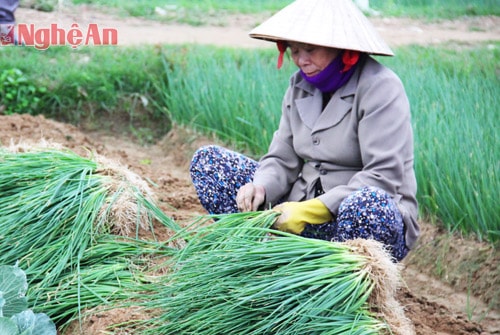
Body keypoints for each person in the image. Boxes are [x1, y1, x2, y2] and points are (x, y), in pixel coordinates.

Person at [190, 0, 419, 261]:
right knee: (209, 163)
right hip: (299, 208)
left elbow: (382, 177)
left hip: (357, 216)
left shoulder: (380, 87)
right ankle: (260, 260)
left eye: (310, 49)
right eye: (294, 50)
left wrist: (310, 211)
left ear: (340, 47)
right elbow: (282, 157)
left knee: (369, 205)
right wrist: (260, 188)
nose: (300, 60)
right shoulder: (300, 84)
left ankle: (341, 278)